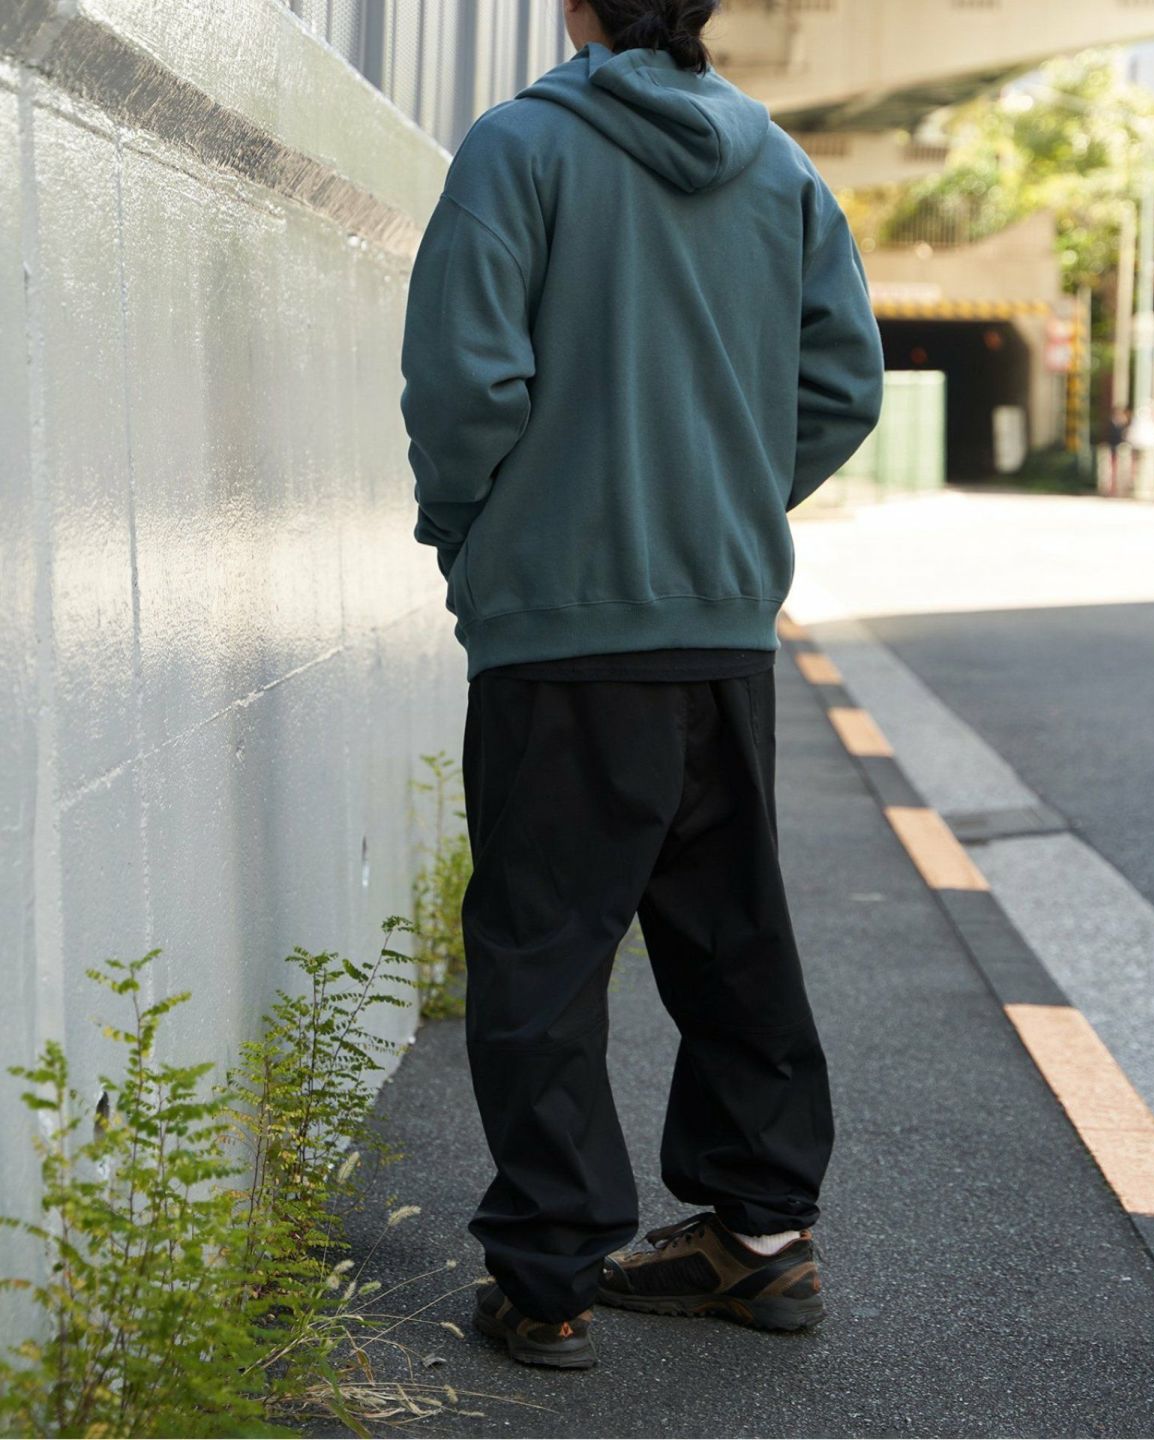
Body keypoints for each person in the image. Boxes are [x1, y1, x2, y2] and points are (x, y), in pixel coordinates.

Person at [399, 0, 885, 1371]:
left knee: (544, 951)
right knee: (733, 936)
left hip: (559, 629)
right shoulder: (780, 166)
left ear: (578, 5)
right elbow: (844, 382)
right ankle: (762, 1242)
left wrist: (474, 536)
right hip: (720, 629)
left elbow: (464, 385)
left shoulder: (518, 148)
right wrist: (728, 505)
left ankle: (548, 1277)